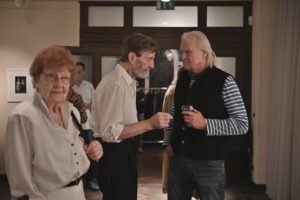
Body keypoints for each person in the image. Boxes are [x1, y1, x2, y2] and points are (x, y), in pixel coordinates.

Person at [5, 45, 103, 200]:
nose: (59, 83)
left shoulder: (72, 112)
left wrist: (92, 149)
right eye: (51, 76)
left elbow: (71, 151)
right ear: (36, 79)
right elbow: (21, 186)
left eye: (65, 77)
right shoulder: (23, 118)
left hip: (78, 193)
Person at [164, 31, 249, 200]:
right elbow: (173, 114)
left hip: (209, 165)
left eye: (188, 52)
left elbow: (242, 124)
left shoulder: (225, 81)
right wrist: (167, 143)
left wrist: (205, 124)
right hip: (178, 160)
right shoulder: (182, 79)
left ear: (204, 53)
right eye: (181, 52)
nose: (183, 57)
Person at [90, 32, 172, 200]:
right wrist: (150, 123)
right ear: (133, 56)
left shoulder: (126, 82)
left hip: (124, 151)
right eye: (149, 58)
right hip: (115, 154)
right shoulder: (116, 84)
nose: (152, 65)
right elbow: (111, 132)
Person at [72, 61, 99, 191]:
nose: (76, 74)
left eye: (79, 71)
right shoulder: (70, 87)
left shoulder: (89, 86)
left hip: (88, 125)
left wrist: (86, 105)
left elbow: (96, 104)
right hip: (74, 126)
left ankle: (90, 179)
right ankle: (79, 178)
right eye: (74, 71)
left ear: (84, 72)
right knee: (76, 151)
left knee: (90, 152)